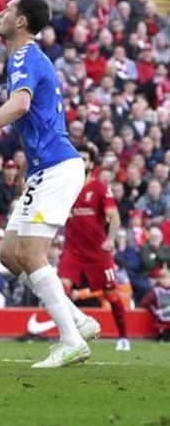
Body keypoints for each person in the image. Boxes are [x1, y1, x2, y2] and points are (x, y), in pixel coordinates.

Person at [0, 0, 95, 368]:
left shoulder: (25, 55)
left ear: (22, 21)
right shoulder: (24, 56)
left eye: (8, 9)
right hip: (47, 167)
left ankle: (71, 339)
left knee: (31, 254)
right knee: (10, 255)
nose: (0, 12)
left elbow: (21, 105)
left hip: (58, 166)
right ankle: (77, 319)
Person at [58, 143, 129, 351]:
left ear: (91, 163)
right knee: (60, 291)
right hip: (72, 251)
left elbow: (114, 216)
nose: (81, 162)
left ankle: (123, 337)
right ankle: (69, 337)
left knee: (112, 295)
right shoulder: (66, 187)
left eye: (85, 159)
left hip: (98, 251)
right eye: (77, 158)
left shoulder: (98, 187)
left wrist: (110, 238)